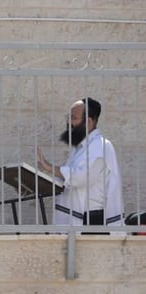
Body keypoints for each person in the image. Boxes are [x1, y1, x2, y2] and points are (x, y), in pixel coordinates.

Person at [37, 97, 123, 227]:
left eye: (73, 118)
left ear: (88, 121)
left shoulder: (100, 146)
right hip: (79, 218)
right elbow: (65, 181)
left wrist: (49, 167)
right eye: (68, 117)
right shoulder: (80, 148)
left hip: (91, 220)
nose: (68, 122)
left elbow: (80, 178)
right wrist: (33, 183)